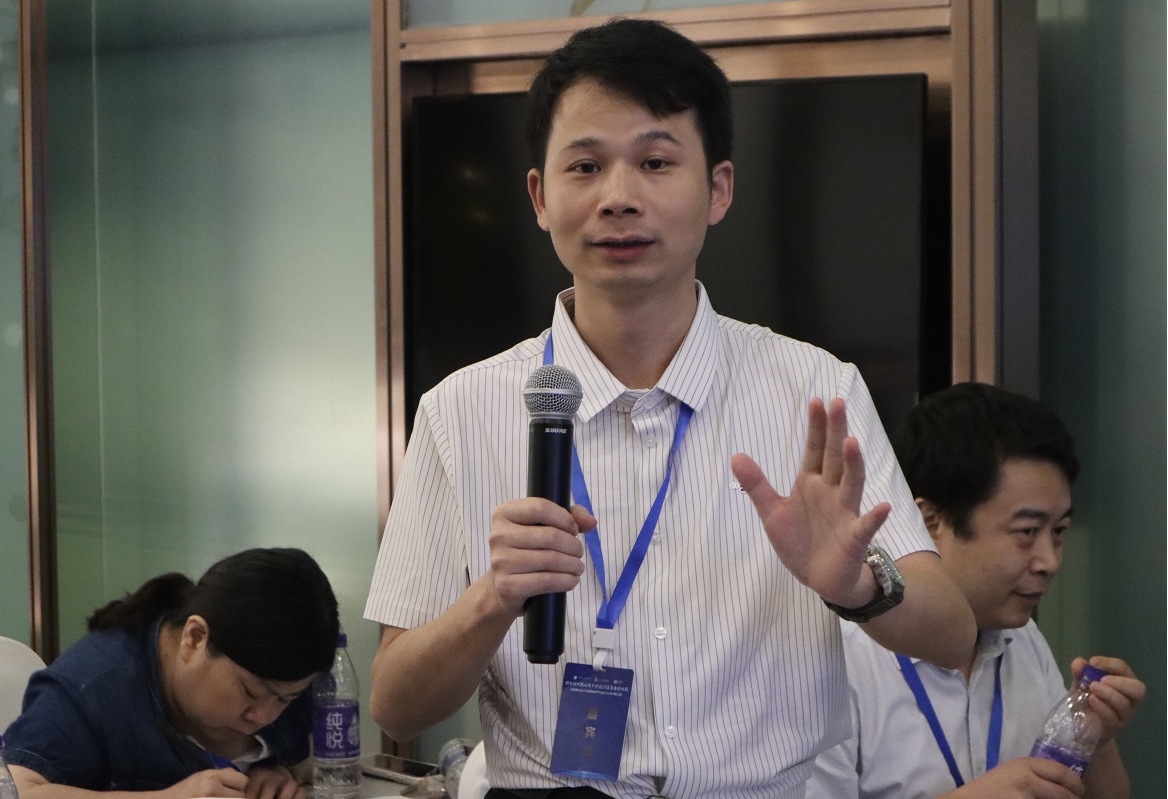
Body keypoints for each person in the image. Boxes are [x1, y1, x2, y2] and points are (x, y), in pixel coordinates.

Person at [364, 18, 975, 799]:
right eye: (586, 166)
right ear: (540, 197)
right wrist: (492, 598)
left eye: (655, 162)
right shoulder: (461, 410)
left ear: (719, 189)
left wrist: (857, 586)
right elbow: (395, 703)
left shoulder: (814, 389)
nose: (619, 198)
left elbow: (953, 631)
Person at [806, 382, 1146, 799]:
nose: (1050, 561)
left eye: (1059, 531)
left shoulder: (1021, 638)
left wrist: (1094, 734)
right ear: (929, 523)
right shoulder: (834, 657)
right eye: (1027, 531)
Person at [2, 548, 339, 799]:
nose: (262, 716)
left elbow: (326, 752)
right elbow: (18, 791)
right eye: (250, 693)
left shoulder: (288, 669)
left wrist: (284, 773)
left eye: (285, 699)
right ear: (195, 638)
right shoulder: (91, 687)